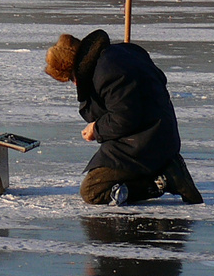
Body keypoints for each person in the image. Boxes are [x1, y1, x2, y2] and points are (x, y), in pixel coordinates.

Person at [45, 29, 203, 206]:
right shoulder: (121, 53)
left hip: (145, 141)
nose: (74, 83)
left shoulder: (106, 72)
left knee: (92, 191)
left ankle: (163, 180)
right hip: (160, 133)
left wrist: (96, 129)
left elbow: (124, 117)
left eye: (70, 79)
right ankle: (165, 168)